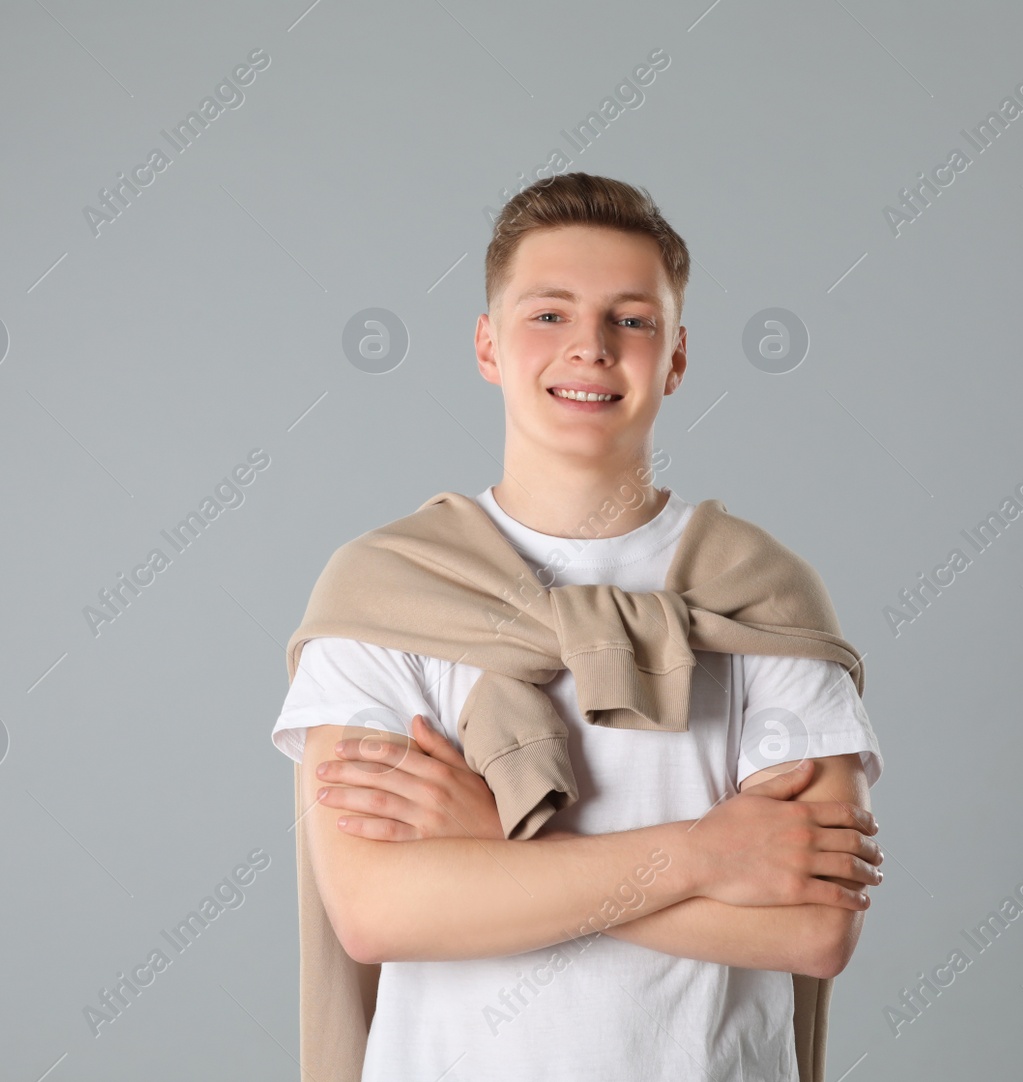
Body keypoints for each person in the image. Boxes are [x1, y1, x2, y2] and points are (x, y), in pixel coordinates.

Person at [270, 171, 885, 1080]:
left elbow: (816, 928)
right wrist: (704, 856)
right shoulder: (390, 592)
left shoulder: (760, 593)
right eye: (548, 314)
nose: (590, 348)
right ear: (488, 344)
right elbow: (375, 910)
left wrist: (496, 852)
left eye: (631, 320)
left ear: (676, 358)